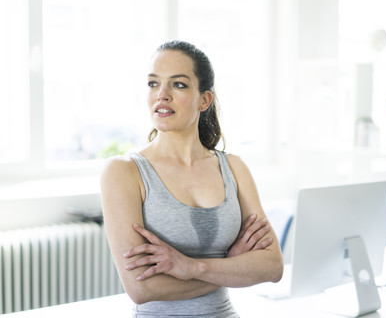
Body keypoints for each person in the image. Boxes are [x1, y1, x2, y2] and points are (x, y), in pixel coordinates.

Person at [100, 40, 284, 317]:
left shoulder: (234, 168)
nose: (161, 95)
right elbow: (143, 288)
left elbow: (272, 266)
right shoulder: (123, 171)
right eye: (153, 83)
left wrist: (194, 267)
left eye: (178, 84)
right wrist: (231, 265)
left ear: (204, 100)